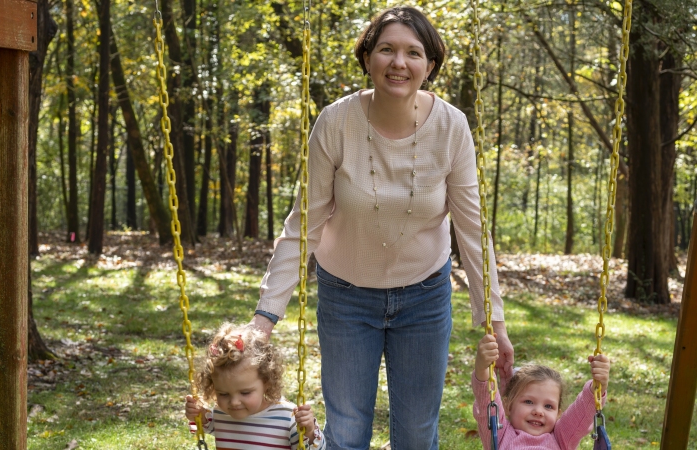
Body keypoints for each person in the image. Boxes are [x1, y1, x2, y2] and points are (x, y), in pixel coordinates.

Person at [250, 5, 514, 449]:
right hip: (347, 296)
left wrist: (495, 321)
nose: (399, 62)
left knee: (415, 434)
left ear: (429, 66)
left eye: (413, 53)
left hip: (424, 296)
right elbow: (304, 224)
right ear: (368, 57)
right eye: (387, 49)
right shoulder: (336, 123)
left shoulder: (451, 127)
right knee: (348, 431)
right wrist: (264, 317)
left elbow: (471, 228)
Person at [184, 323, 325, 449]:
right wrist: (198, 415)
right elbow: (206, 423)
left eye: (245, 393)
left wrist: (310, 432)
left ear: (266, 382)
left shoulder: (288, 417)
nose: (234, 402)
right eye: (223, 394)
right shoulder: (221, 413)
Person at [472, 334, 611, 449]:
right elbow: (486, 401)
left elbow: (581, 412)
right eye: (528, 402)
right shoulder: (500, 434)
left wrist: (599, 385)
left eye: (548, 406)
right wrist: (482, 368)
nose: (538, 411)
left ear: (558, 414)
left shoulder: (561, 438)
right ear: (508, 406)